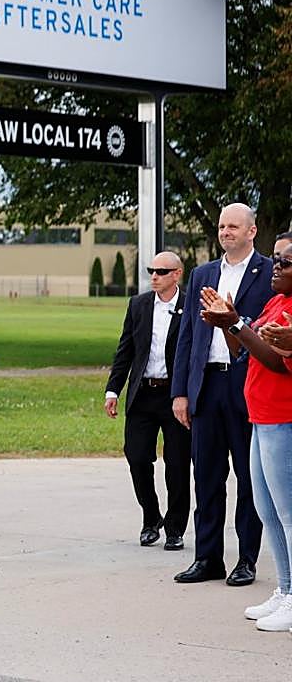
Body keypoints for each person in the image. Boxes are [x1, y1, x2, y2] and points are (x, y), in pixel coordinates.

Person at [171, 203, 272, 586]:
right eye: (221, 226)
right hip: (207, 385)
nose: (225, 232)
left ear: (251, 231)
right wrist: (181, 392)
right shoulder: (203, 274)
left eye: (233, 226)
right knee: (207, 476)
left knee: (249, 478)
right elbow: (187, 337)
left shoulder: (267, 274)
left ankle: (246, 559)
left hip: (246, 384)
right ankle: (207, 557)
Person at [200, 238, 292, 630]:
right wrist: (229, 323)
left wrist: (236, 323)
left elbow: (275, 361)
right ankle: (285, 589)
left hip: (283, 419)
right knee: (267, 511)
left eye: (286, 261)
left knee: (288, 513)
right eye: (276, 259)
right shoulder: (276, 302)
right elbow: (244, 351)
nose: (276, 266)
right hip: (261, 417)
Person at [104, 251, 191, 550]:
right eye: (151, 270)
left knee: (177, 464)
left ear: (177, 274)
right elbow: (125, 350)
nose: (154, 276)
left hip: (175, 396)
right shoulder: (138, 305)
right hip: (142, 394)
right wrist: (113, 390)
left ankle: (175, 528)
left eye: (162, 271)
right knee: (137, 457)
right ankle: (151, 517)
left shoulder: (190, 306)